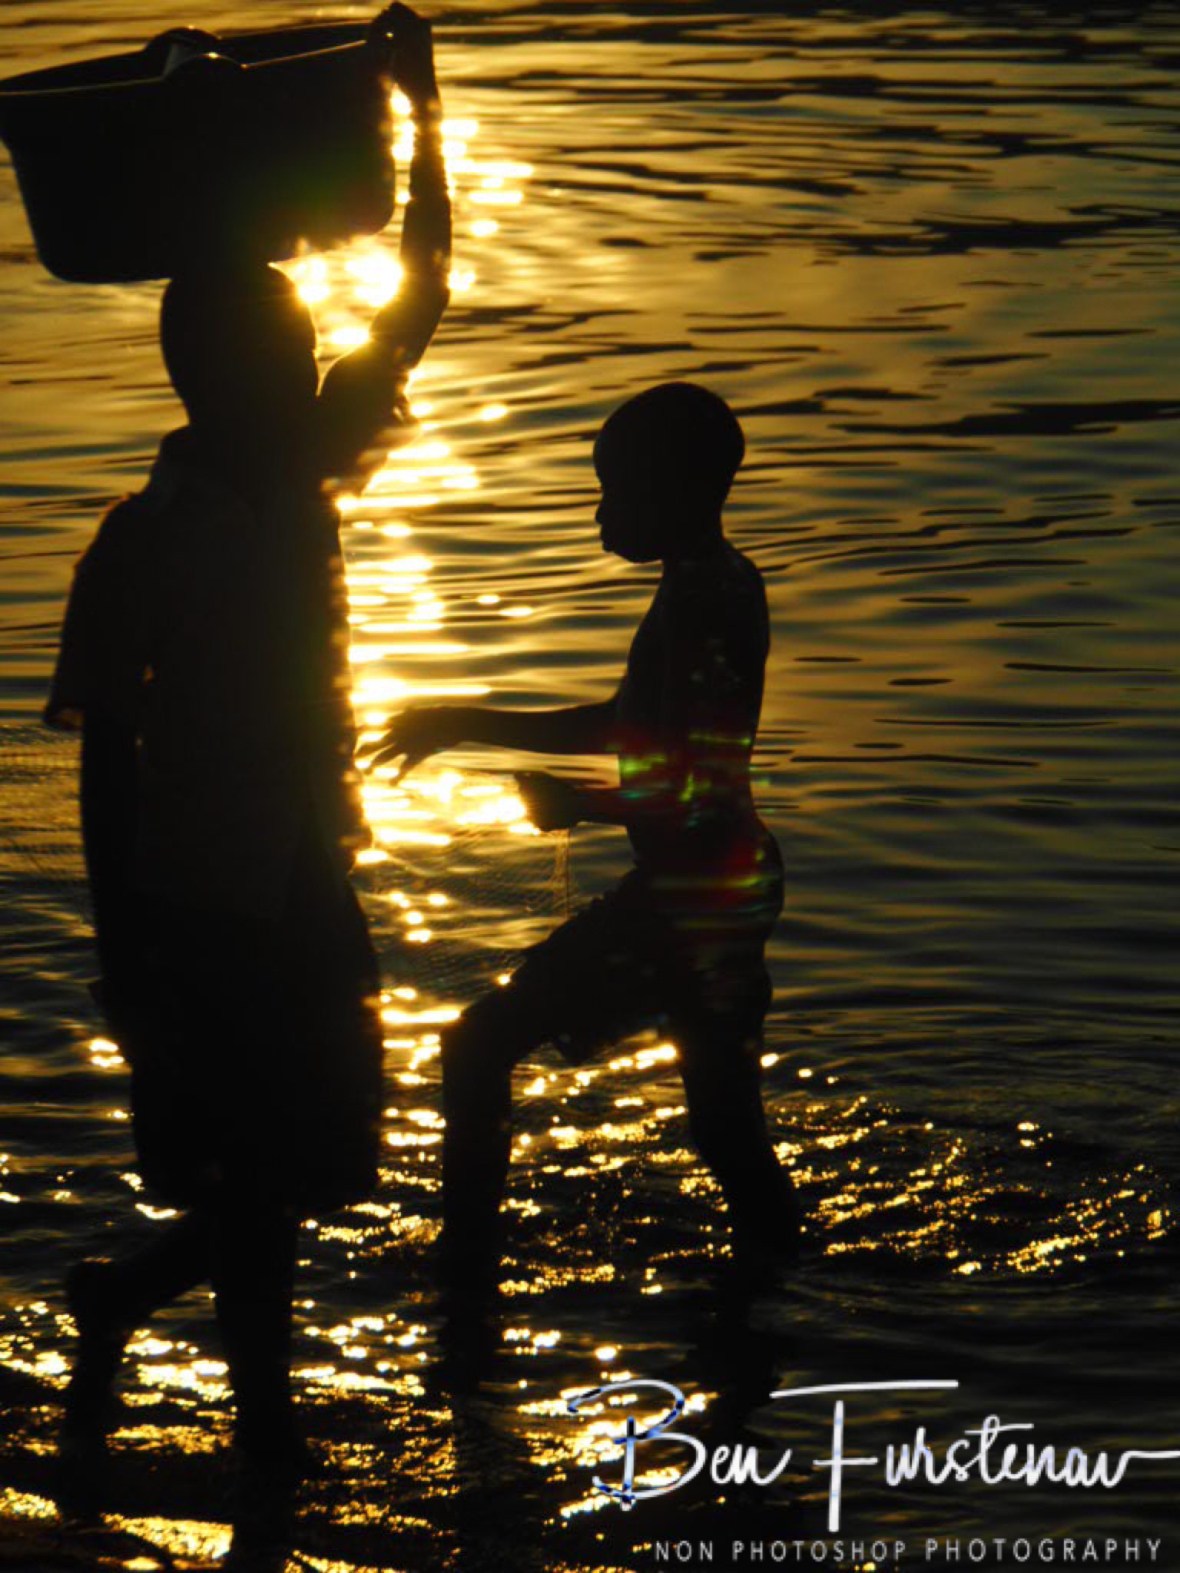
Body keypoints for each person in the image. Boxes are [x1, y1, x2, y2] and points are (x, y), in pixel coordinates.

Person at [43, 2, 450, 1488]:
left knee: (312, 1163)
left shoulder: (305, 480)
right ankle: (267, 1439)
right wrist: (118, 943)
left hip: (298, 873)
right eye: (288, 348)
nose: (319, 362)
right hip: (188, 900)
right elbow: (104, 752)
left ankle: (121, 1304)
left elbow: (418, 295)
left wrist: (422, 111)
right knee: (257, 1178)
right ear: (213, 376)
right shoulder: (136, 545)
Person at [371, 382, 801, 1302]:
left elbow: (687, 782)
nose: (601, 510)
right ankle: (784, 1283)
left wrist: (578, 806)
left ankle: (465, 1274)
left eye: (616, 489)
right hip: (726, 883)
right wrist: (465, 719)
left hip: (694, 894)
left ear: (677, 488)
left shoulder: (702, 600)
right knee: (726, 1125)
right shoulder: (714, 585)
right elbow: (629, 724)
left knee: (478, 1045)